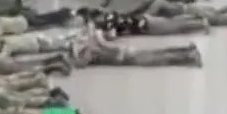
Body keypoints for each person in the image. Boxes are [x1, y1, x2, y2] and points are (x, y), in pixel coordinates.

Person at [69, 25, 203, 67]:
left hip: (122, 56)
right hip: (123, 55)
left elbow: (83, 62)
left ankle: (188, 55)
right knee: (159, 55)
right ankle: (187, 53)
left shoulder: (86, 47)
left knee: (159, 57)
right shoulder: (88, 44)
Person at [77, 7, 208, 36]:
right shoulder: (109, 14)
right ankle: (196, 17)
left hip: (146, 26)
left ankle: (200, 24)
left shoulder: (108, 21)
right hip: (144, 18)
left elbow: (114, 34)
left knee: (175, 27)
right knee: (171, 21)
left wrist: (103, 34)